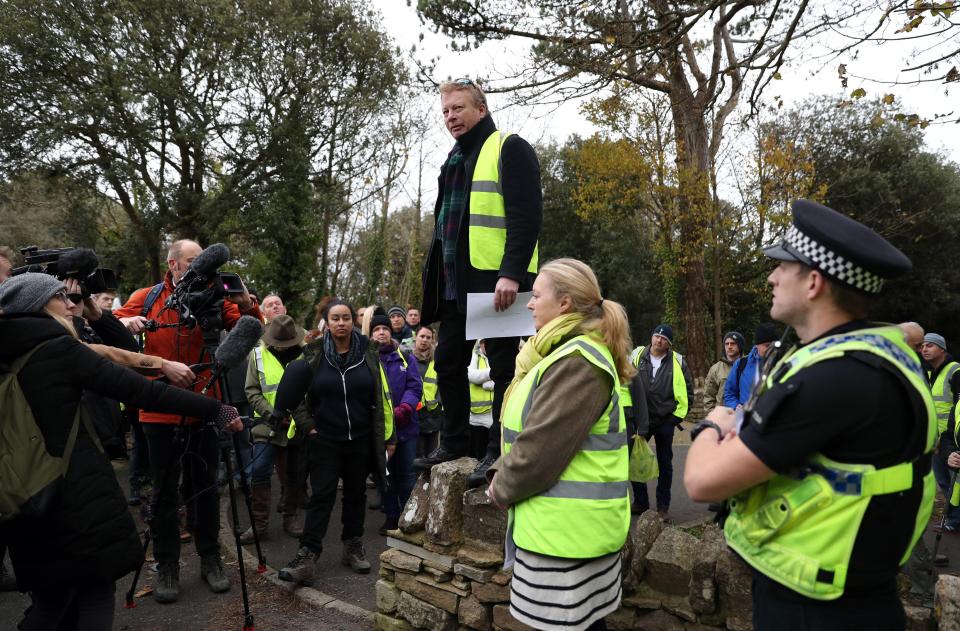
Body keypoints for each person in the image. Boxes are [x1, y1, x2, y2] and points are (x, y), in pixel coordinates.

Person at [684, 199, 934, 631]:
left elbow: (702, 482)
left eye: (783, 266)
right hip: (850, 596)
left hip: (815, 612)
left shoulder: (833, 378)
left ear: (814, 282)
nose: (771, 276)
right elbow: (906, 331)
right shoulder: (872, 354)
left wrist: (713, 425)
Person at [0, 273, 243, 631]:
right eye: (60, 297)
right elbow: (143, 392)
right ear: (37, 305)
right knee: (95, 592)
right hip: (72, 496)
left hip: (20, 494)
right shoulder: (58, 350)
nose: (72, 305)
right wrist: (216, 409)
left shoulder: (10, 349)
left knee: (51, 600)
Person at [112, 239, 263, 604]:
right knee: (164, 491)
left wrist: (245, 302)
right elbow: (110, 326)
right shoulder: (148, 296)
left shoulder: (214, 296)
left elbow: (251, 326)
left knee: (206, 485)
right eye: (194, 262)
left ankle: (211, 558)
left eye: (204, 262)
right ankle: (167, 564)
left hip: (206, 405)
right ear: (174, 264)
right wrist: (129, 321)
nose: (201, 269)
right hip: (158, 410)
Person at [486, 258, 633, 631]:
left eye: (536, 295)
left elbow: (539, 452)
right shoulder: (562, 353)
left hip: (568, 540)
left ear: (564, 303)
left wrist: (501, 486)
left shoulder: (577, 361)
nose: (530, 303)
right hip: (564, 533)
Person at [415, 78, 542, 489]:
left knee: (505, 367)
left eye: (458, 108)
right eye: (446, 111)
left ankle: (496, 448)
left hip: (496, 285)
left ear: (481, 109)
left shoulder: (510, 147)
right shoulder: (452, 161)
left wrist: (511, 273)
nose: (451, 116)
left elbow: (526, 218)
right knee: (448, 360)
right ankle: (453, 443)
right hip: (457, 285)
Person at [272, 299, 394, 583]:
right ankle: (308, 553)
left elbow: (382, 397)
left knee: (356, 494)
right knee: (322, 495)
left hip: (360, 439)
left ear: (353, 321)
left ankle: (352, 545)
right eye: (335, 318)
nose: (341, 323)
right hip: (324, 439)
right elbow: (296, 395)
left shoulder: (369, 352)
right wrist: (309, 426)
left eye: (346, 318)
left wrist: (390, 437)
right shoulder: (313, 355)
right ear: (326, 323)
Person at [241, 314, 309, 543]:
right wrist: (274, 414)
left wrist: (293, 416)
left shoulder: (305, 357)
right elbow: (251, 391)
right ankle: (259, 525)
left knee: (293, 475)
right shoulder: (257, 355)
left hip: (294, 427)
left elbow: (309, 391)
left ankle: (290, 517)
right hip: (266, 427)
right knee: (259, 471)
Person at [629, 324, 693, 521]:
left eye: (664, 339)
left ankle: (663, 507)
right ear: (651, 337)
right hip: (641, 419)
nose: (659, 340)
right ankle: (641, 502)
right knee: (635, 458)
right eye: (656, 336)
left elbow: (688, 393)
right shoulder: (637, 355)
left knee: (665, 464)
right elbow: (624, 381)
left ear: (669, 344)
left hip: (665, 420)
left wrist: (675, 419)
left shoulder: (678, 361)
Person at [369, 311, 423, 533]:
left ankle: (409, 516)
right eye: (377, 329)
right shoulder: (367, 359)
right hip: (380, 431)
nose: (381, 332)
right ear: (371, 334)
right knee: (386, 475)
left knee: (407, 474)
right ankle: (391, 516)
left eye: (385, 329)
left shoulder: (405, 357)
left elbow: (414, 386)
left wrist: (406, 408)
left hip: (406, 426)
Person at [921, 332, 960, 531]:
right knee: (945, 482)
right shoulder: (927, 373)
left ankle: (955, 521)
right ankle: (953, 519)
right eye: (923, 346)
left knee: (955, 482)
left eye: (930, 345)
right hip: (937, 441)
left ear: (942, 349)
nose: (924, 349)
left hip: (952, 440)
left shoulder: (955, 371)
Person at [723, 323, 778, 409]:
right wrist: (736, 406)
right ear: (757, 345)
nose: (771, 348)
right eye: (767, 345)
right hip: (747, 418)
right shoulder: (741, 364)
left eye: (774, 345)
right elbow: (729, 393)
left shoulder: (783, 362)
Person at [411, 325, 443, 457]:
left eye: (428, 337)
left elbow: (442, 384)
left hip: (433, 415)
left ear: (432, 340)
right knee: (416, 456)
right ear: (415, 337)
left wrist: (439, 403)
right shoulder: (408, 359)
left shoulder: (438, 359)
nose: (424, 340)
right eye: (422, 336)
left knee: (432, 456)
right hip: (414, 414)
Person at [467, 339, 495, 458]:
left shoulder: (497, 356)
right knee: (478, 454)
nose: (486, 345)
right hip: (477, 417)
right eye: (483, 342)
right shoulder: (475, 356)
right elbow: (472, 376)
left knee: (491, 455)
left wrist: (488, 384)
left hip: (494, 416)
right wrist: (494, 372)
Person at [704, 331, 744, 410]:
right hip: (723, 418)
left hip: (745, 417)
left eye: (733, 343)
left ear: (740, 345)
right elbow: (708, 396)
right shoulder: (715, 369)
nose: (729, 346)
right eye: (727, 344)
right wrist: (715, 416)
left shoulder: (749, 365)